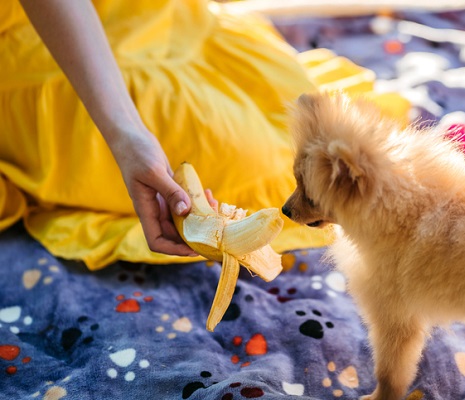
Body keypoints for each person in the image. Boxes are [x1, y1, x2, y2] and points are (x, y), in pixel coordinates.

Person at [0, 0, 409, 270]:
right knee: (267, 167)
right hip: (42, 48)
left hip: (149, 15)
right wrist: (125, 133)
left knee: (303, 114)